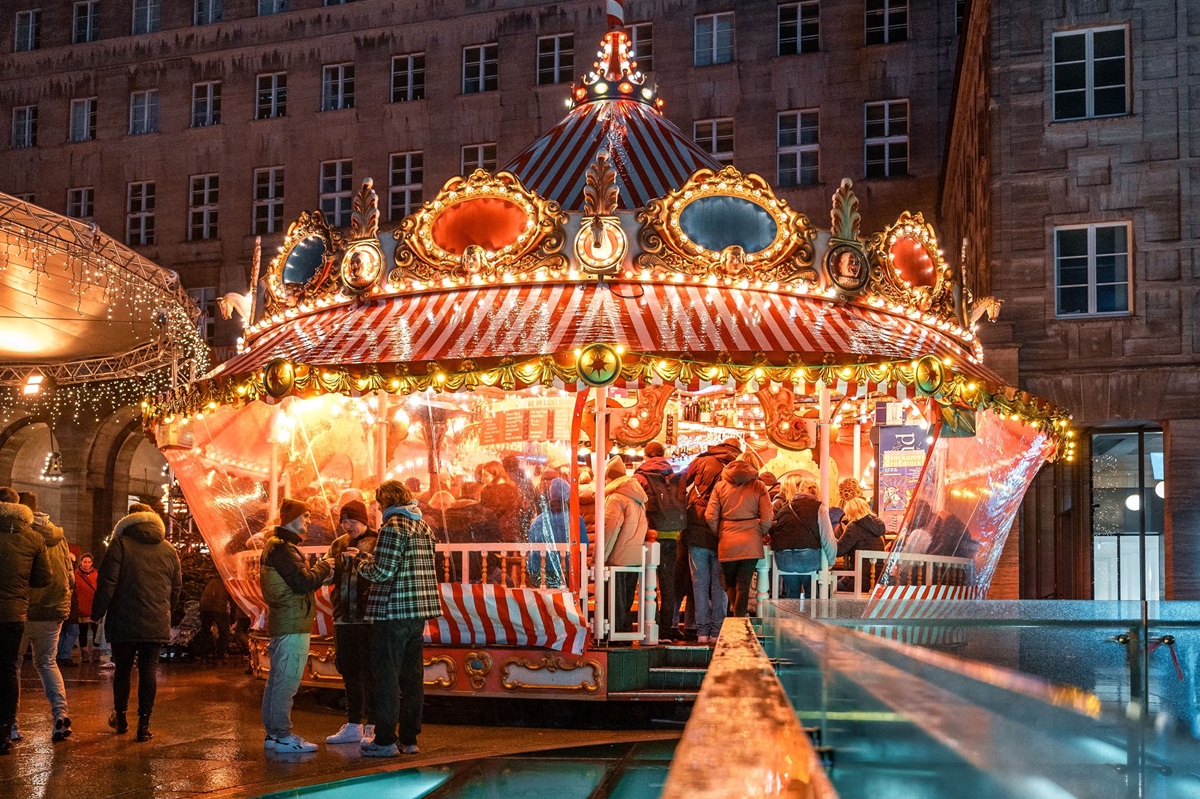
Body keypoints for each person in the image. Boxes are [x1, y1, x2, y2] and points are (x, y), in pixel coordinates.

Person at [357, 480, 441, 758]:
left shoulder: (393, 527)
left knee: (387, 677)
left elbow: (382, 572)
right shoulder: (423, 526)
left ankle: (384, 741)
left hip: (393, 611)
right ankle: (409, 738)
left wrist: (360, 561)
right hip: (418, 612)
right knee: (412, 678)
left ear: (385, 502)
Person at [91, 504, 182, 743]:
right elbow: (176, 587)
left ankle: (121, 716)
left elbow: (107, 581)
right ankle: (144, 723)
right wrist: (165, 609)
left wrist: (97, 612)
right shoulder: (169, 549)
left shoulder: (120, 545)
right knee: (148, 670)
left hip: (123, 620)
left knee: (122, 669)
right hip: (156, 619)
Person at [259, 499, 332, 754]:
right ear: (291, 518)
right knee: (287, 681)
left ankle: (273, 734)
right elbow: (302, 583)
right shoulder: (283, 549)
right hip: (292, 624)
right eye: (305, 515)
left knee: (278, 679)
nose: (309, 521)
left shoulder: (277, 546)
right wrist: (325, 566)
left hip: (286, 621)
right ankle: (282, 735)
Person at [16, 492, 74, 743]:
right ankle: (60, 715)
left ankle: (11, 724)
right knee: (48, 662)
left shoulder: (17, 534)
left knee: (12, 665)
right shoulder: (58, 536)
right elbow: (69, 576)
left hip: (22, 609)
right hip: (52, 611)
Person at [324, 500, 379, 746]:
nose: (347, 526)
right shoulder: (338, 544)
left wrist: (362, 558)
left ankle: (375, 724)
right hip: (343, 616)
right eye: (344, 521)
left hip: (369, 616)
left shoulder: (377, 542)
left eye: (352, 521)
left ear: (364, 520)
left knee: (371, 671)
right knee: (348, 670)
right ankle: (354, 722)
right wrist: (327, 569)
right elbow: (328, 576)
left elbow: (382, 571)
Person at [0, 486, 50, 753]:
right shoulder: (32, 538)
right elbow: (44, 578)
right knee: (8, 669)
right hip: (13, 614)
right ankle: (5, 732)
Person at [683, 438, 741, 643]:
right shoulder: (734, 470)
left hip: (696, 531)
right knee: (720, 584)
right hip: (721, 532)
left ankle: (701, 633)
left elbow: (682, 484)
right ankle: (717, 631)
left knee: (699, 583)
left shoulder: (701, 461)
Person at [706, 460, 773, 618]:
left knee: (728, 582)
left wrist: (720, 532)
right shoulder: (759, 486)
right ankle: (740, 618)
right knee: (744, 583)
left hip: (727, 539)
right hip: (751, 540)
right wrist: (759, 532)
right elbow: (767, 517)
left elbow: (710, 517)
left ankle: (738, 616)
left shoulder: (720, 486)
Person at [634, 443, 686, 640]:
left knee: (647, 583)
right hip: (672, 535)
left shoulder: (640, 477)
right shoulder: (673, 475)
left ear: (646, 455)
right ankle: (666, 628)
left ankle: (649, 626)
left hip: (649, 536)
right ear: (663, 455)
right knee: (668, 583)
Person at [769, 474, 836, 598]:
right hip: (808, 558)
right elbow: (828, 539)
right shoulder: (820, 508)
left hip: (783, 558)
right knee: (812, 592)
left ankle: (790, 616)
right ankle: (810, 616)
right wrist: (831, 561)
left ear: (799, 490)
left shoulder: (785, 508)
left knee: (792, 592)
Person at [602, 456, 649, 634]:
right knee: (627, 600)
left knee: (615, 600)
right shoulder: (637, 498)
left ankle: (614, 635)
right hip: (634, 557)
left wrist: (599, 557)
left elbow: (610, 530)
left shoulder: (615, 498)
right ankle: (625, 633)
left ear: (609, 478)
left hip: (617, 557)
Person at [526, 478, 586, 588]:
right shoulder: (576, 520)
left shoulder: (538, 521)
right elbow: (584, 545)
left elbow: (532, 548)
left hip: (541, 572)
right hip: (569, 571)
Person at [835, 497, 887, 591]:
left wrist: (831, 540)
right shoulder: (879, 529)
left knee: (826, 588)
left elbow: (838, 551)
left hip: (859, 581)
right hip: (877, 581)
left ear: (851, 512)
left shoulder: (854, 527)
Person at [198, 576, 233, 661]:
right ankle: (220, 654)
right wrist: (232, 617)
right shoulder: (227, 583)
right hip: (219, 608)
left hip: (205, 607)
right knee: (224, 632)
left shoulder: (210, 582)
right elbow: (232, 599)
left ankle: (204, 655)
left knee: (205, 630)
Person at [73, 552, 99, 663]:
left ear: (92, 562)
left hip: (94, 607)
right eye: (84, 562)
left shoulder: (96, 574)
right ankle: (84, 653)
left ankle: (96, 652)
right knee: (82, 631)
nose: (87, 564)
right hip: (81, 607)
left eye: (89, 562)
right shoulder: (75, 574)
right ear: (81, 562)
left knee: (96, 631)